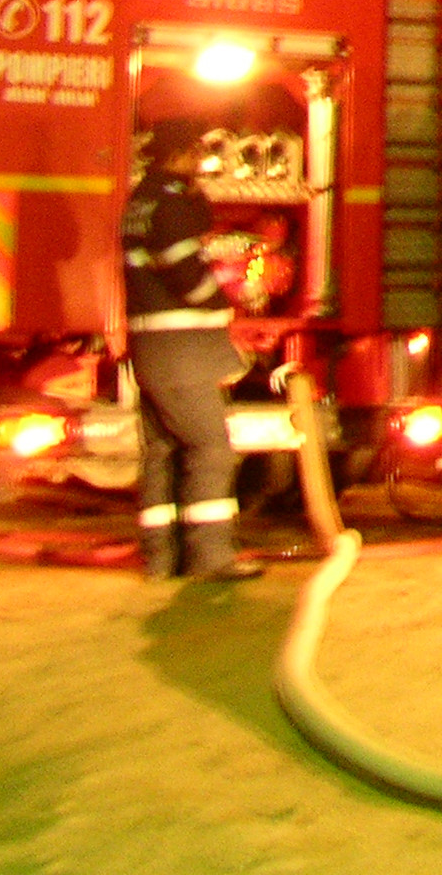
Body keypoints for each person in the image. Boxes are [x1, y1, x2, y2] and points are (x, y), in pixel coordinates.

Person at [121, 120, 261, 581]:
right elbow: (183, 271)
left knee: (162, 451)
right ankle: (210, 557)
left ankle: (161, 558)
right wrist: (223, 299)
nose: (200, 163)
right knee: (210, 449)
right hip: (181, 349)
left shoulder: (140, 201)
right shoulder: (170, 204)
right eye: (195, 154)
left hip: (153, 347)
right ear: (179, 155)